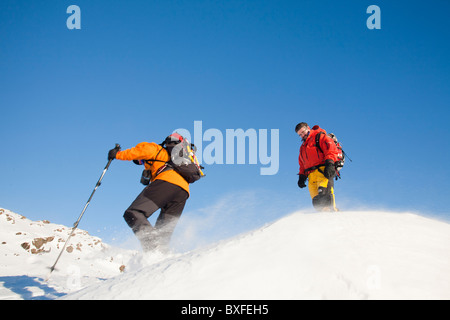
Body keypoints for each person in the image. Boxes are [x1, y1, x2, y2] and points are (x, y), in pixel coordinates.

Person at [108, 133, 190, 253]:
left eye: (141, 161)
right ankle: (160, 255)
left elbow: (137, 152)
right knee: (163, 230)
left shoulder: (154, 148)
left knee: (133, 213)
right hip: (183, 191)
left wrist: (117, 154)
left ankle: (152, 246)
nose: (142, 163)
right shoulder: (173, 159)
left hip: (167, 183)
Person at [295, 122, 340, 211]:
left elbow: (331, 149)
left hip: (323, 172)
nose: (302, 135)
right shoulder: (303, 147)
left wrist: (330, 164)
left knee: (325, 197)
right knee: (317, 203)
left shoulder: (319, 137)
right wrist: (302, 176)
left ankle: (335, 217)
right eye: (300, 135)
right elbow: (302, 163)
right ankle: (323, 222)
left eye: (303, 132)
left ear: (308, 128)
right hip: (311, 177)